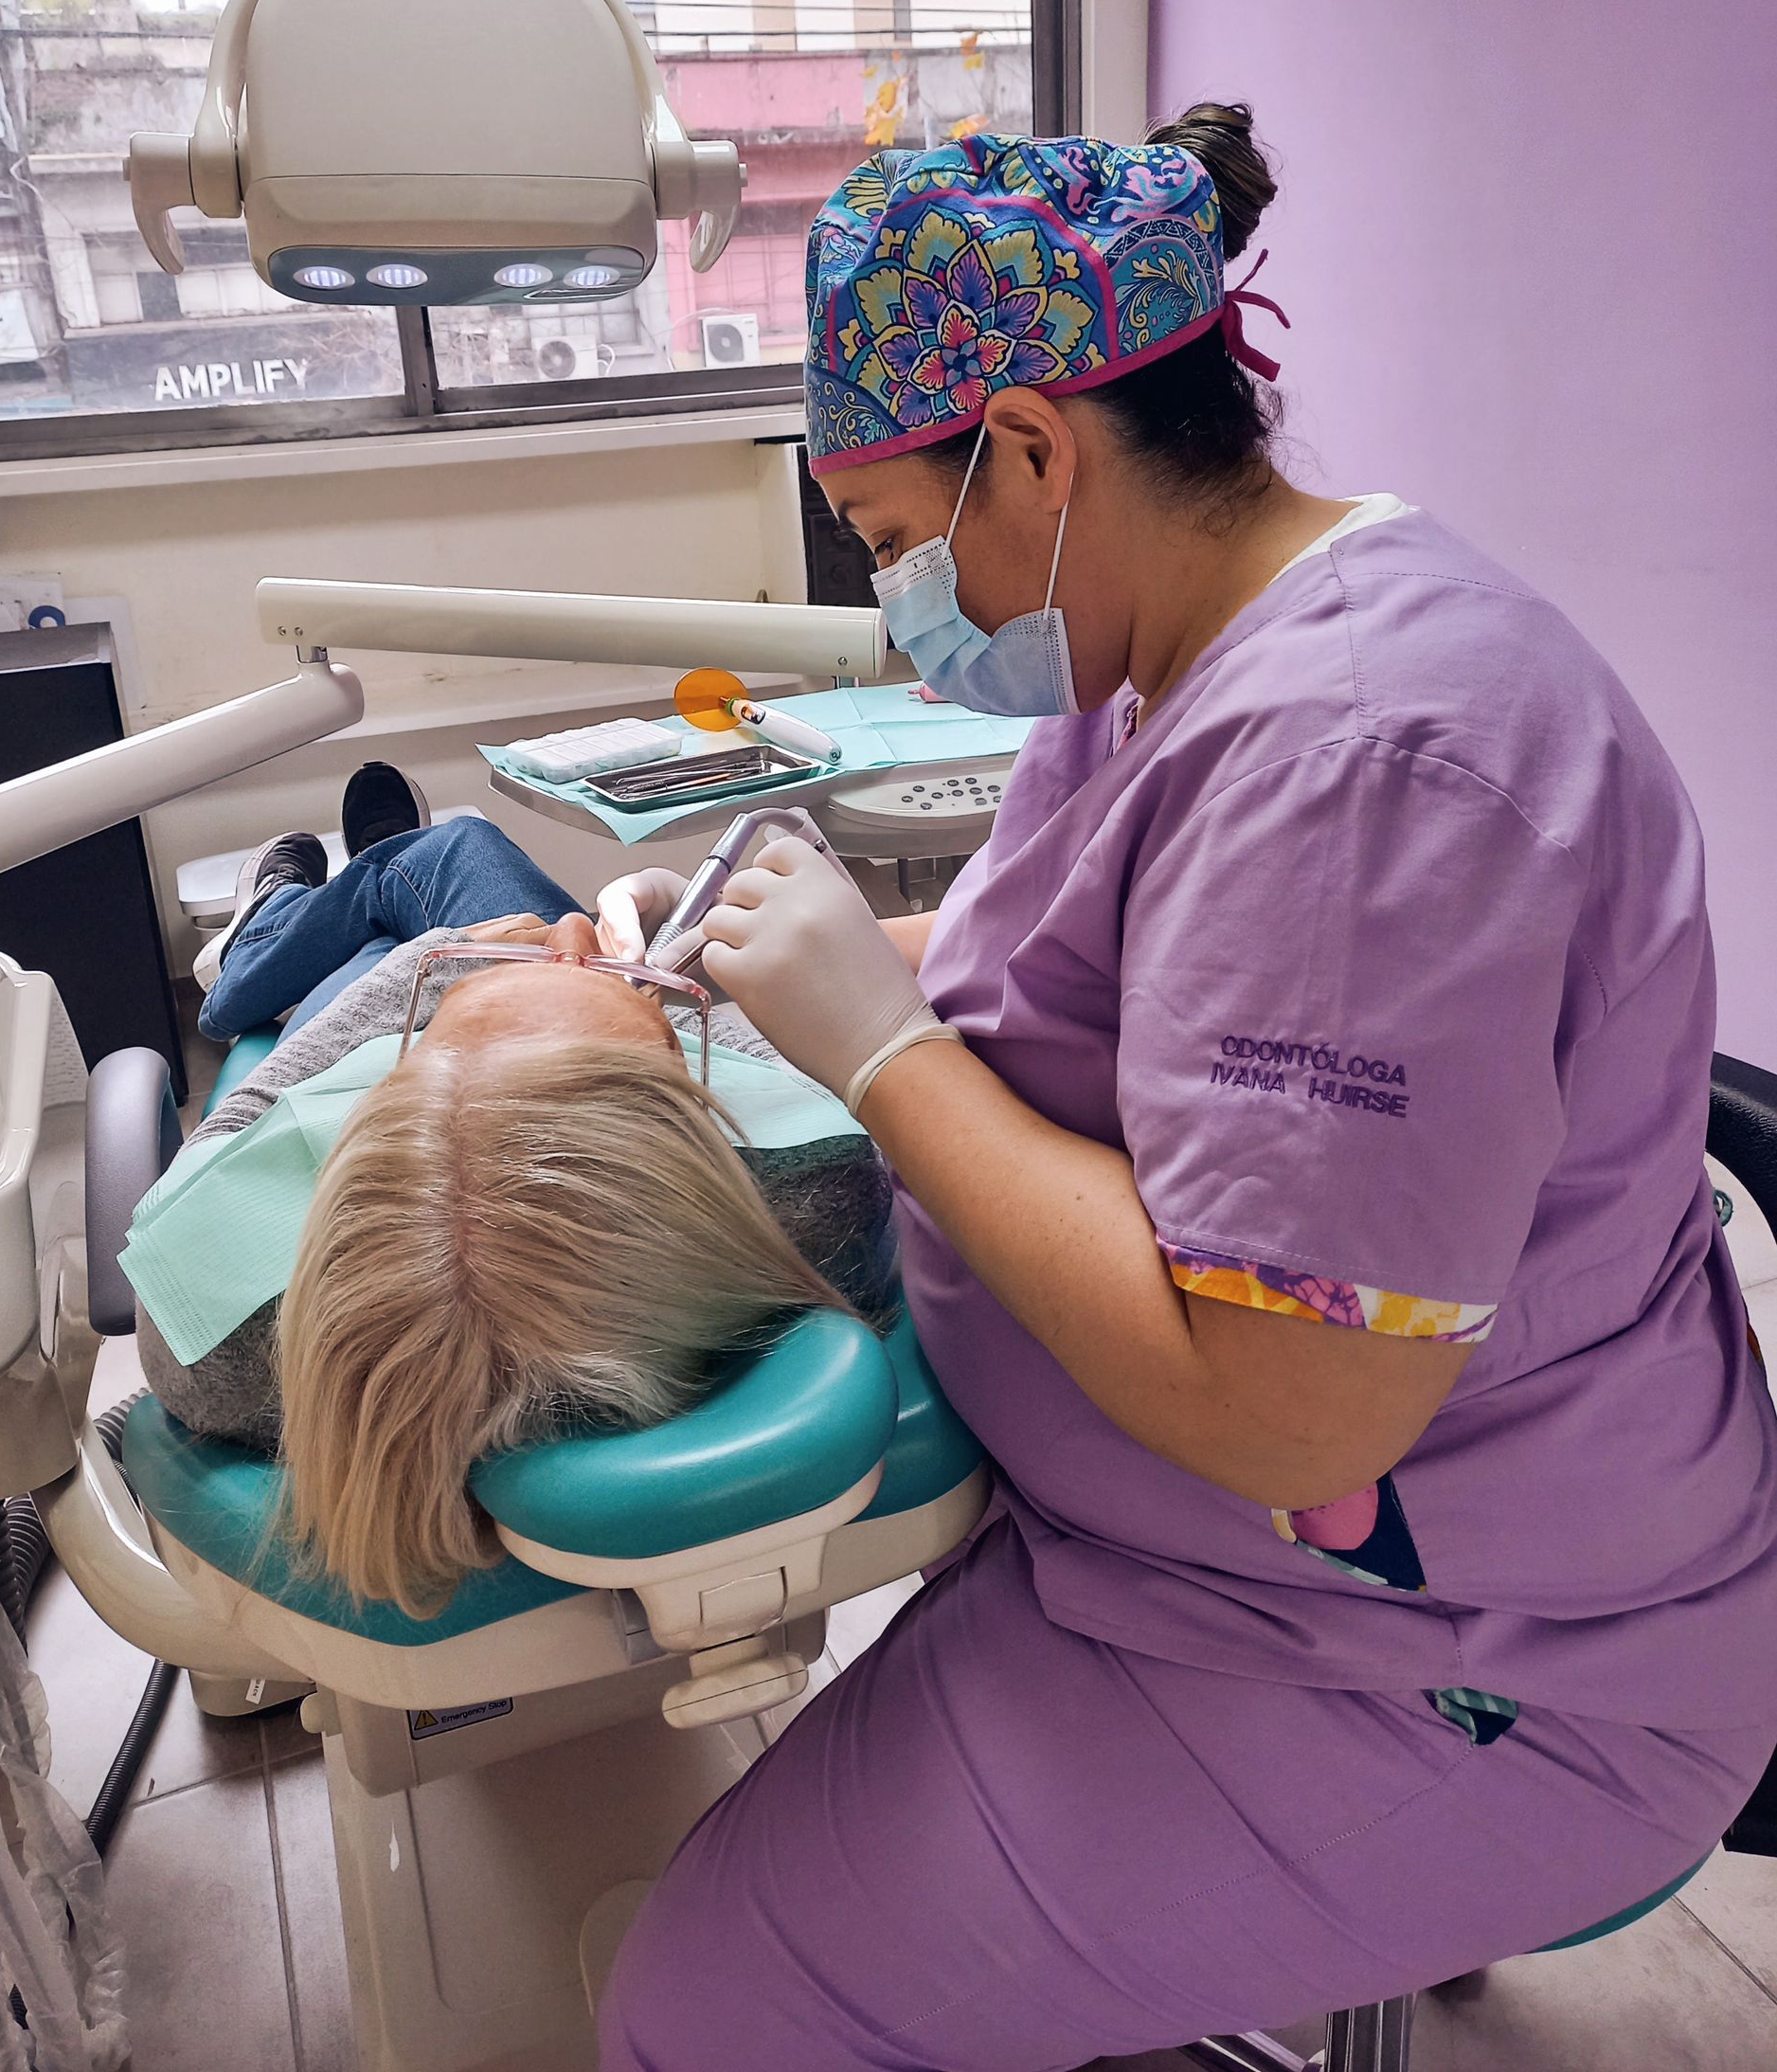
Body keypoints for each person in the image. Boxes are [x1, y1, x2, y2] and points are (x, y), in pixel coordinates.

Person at [593, 116, 1777, 2067]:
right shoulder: (1174, 656)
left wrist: (878, 1059)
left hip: (1469, 1663)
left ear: (1037, 450)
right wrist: (760, 949)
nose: (901, 606)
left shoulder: (1371, 762)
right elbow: (1114, 989)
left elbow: (1292, 1397)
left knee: (709, 2009)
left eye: (898, 541)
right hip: (1180, 1565)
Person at [127, 775, 893, 1616]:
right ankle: (383, 867)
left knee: (421, 886)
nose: (572, 934)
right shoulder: (817, 1195)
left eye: (433, 1028)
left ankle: (263, 935)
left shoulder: (210, 1347)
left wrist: (427, 970)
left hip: (399, 1010)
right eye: (640, 1009)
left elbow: (231, 1127)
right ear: (693, 1123)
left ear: (384, 1102)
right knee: (457, 861)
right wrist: (677, 965)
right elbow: (771, 1029)